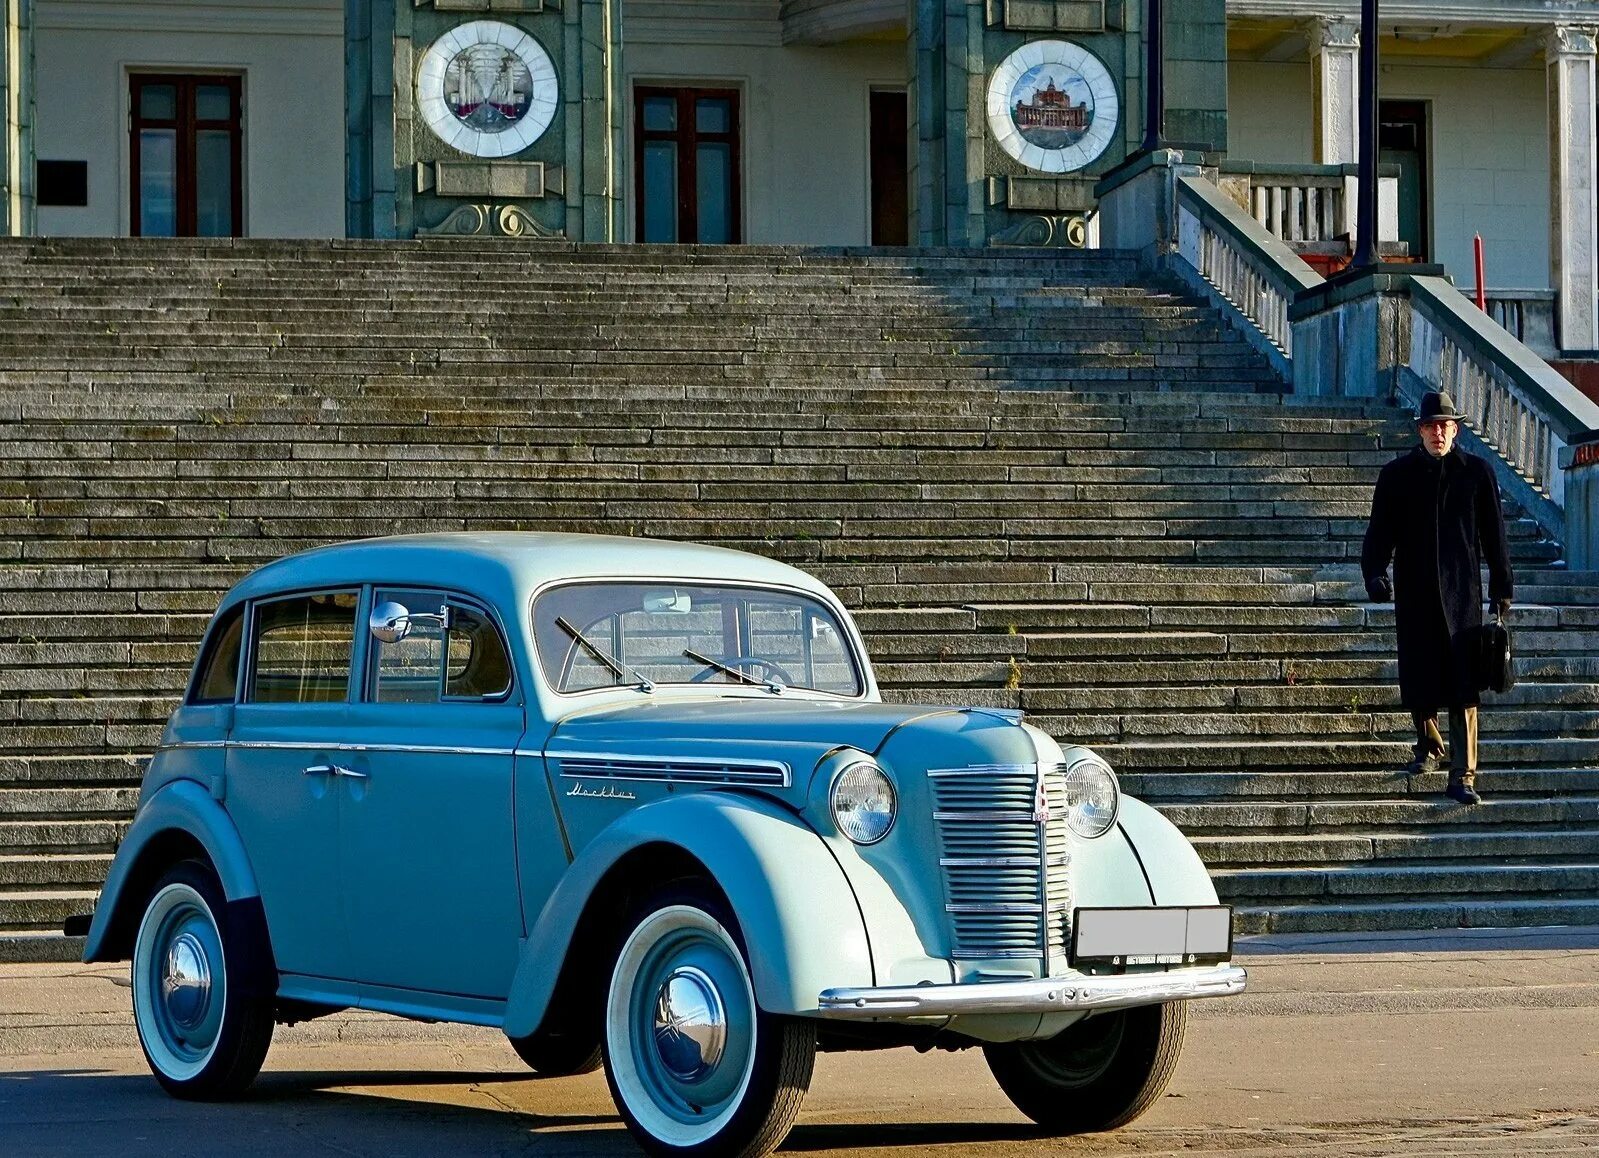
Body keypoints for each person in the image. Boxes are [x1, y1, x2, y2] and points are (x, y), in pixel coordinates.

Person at [1361, 390, 1513, 805]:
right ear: (1420, 431)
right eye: (1430, 426)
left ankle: (1463, 775)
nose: (1438, 433)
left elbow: (1494, 536)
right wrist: (1374, 573)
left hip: (1463, 593)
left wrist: (1502, 587)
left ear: (1456, 430)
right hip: (1415, 591)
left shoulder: (1477, 473)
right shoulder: (1397, 476)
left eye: (1444, 426)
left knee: (1465, 686)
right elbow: (1379, 532)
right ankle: (1428, 746)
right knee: (1419, 675)